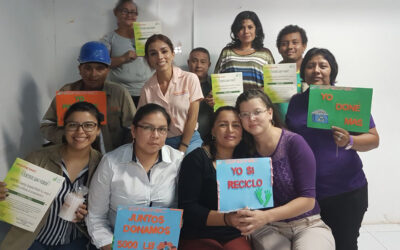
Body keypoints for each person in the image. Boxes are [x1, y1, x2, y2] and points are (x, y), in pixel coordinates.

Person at [286, 48, 379, 250]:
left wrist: (350, 140)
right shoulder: (296, 102)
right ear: (303, 72)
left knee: (344, 244)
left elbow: (373, 139)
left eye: (323, 65)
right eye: (310, 65)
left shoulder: (347, 99)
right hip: (307, 194)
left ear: (332, 71)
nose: (316, 70)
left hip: (346, 191)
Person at [234, 89, 335, 250]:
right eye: (244, 114)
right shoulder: (243, 150)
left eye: (257, 112)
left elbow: (308, 200)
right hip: (267, 227)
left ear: (270, 113)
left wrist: (265, 216)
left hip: (308, 224)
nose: (251, 118)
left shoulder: (294, 143)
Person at [1, 102, 104, 250]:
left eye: (88, 125)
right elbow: (13, 204)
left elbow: (104, 215)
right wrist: (5, 196)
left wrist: (84, 217)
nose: (80, 131)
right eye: (73, 125)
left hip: (74, 244)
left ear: (98, 130)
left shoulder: (103, 166)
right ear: (64, 128)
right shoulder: (38, 158)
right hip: (32, 241)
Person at [86, 103, 184, 250]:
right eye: (147, 128)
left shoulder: (178, 161)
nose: (155, 135)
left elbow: (185, 207)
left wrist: (179, 222)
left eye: (162, 129)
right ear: (133, 130)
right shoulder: (111, 162)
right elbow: (95, 216)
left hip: (163, 245)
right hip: (117, 244)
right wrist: (111, 246)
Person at [40, 41, 136, 153]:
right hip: (73, 156)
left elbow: (133, 128)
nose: (93, 74)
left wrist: (122, 154)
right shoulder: (67, 92)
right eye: (88, 68)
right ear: (79, 69)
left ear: (107, 70)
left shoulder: (119, 93)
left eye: (100, 68)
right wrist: (69, 137)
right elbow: (46, 125)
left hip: (111, 157)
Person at [178, 106, 251, 250]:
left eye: (236, 125)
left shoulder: (248, 161)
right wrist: (226, 219)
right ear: (212, 130)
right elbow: (188, 208)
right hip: (198, 233)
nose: (230, 130)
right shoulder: (196, 159)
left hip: (234, 234)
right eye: (223, 124)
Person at [138, 34, 203, 154]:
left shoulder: (190, 79)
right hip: (161, 142)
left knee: (194, 165)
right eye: (153, 53)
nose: (160, 57)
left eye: (164, 51)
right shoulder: (147, 88)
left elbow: (192, 117)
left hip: (190, 140)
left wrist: (183, 147)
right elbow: (143, 121)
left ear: (172, 54)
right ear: (148, 59)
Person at [101, 0, 153, 107]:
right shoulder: (109, 38)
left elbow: (159, 60)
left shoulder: (147, 36)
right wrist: (123, 58)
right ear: (116, 12)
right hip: (121, 93)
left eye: (133, 12)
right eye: (125, 11)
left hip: (148, 91)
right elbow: (103, 64)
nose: (129, 15)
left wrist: (151, 54)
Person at [214, 11, 275, 91]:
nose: (246, 31)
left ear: (256, 30)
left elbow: (273, 83)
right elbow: (216, 81)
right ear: (236, 31)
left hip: (257, 102)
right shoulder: (227, 52)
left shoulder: (265, 54)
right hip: (230, 103)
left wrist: (257, 94)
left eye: (250, 27)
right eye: (241, 28)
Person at [276, 25, 308, 120]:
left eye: (295, 42)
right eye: (284, 43)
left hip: (308, 129)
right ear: (279, 48)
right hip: (281, 131)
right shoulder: (272, 74)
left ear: (304, 46)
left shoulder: (313, 72)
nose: (290, 47)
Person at [187, 47, 214, 140]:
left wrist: (217, 104)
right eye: (194, 61)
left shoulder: (215, 85)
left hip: (212, 138)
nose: (198, 65)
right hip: (185, 137)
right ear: (188, 62)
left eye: (203, 62)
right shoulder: (180, 84)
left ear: (209, 64)